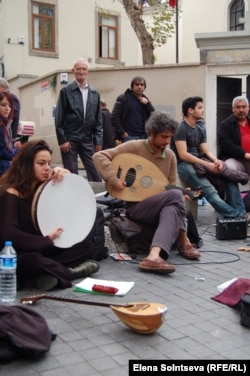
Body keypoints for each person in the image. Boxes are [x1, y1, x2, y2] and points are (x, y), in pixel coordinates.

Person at [93, 111, 201, 276]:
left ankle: (153, 256)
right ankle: (184, 241)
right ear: (152, 133)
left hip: (159, 207)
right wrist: (114, 180)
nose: (167, 141)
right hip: (136, 207)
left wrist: (181, 194)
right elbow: (99, 156)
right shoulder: (134, 147)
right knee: (175, 197)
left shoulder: (170, 156)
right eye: (164, 137)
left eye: (170, 137)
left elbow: (170, 187)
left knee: (172, 206)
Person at [0, 140, 100, 291]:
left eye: (49, 163)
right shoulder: (12, 192)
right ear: (27, 164)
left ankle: (43, 274)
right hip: (16, 253)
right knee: (33, 261)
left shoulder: (43, 186)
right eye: (41, 163)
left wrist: (64, 172)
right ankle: (68, 273)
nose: (47, 168)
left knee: (84, 247)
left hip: (41, 247)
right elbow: (10, 234)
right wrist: (46, 240)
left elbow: (70, 188)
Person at [171, 96, 246, 219]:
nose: (203, 110)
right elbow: (183, 155)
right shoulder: (181, 128)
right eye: (200, 108)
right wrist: (207, 164)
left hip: (199, 161)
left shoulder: (199, 127)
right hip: (184, 165)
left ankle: (241, 212)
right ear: (190, 110)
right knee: (209, 190)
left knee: (230, 176)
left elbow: (205, 149)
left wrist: (216, 161)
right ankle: (235, 215)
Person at [55, 58, 102, 181]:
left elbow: (98, 119)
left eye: (84, 69)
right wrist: (62, 140)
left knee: (95, 171)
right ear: (73, 71)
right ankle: (73, 198)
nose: (81, 71)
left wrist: (98, 141)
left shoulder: (94, 92)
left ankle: (96, 198)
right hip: (70, 140)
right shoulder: (66, 91)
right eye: (78, 69)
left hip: (87, 139)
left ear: (88, 72)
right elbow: (59, 117)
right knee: (71, 174)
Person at [111, 76, 155, 142]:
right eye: (137, 84)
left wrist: (147, 104)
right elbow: (114, 117)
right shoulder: (123, 98)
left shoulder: (145, 100)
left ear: (144, 87)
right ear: (132, 86)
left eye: (142, 85)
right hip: (128, 137)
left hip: (143, 137)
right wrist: (122, 132)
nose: (139, 87)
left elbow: (154, 115)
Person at [217, 96, 250, 175]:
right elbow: (227, 145)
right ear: (233, 109)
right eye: (238, 107)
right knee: (229, 167)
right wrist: (245, 154)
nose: (241, 110)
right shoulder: (226, 124)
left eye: (244, 107)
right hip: (236, 159)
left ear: (248, 108)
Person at [0, 92, 20, 176]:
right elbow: (4, 152)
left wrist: (14, 146)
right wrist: (18, 150)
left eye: (9, 106)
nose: (7, 108)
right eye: (3, 105)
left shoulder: (4, 124)